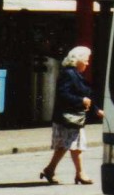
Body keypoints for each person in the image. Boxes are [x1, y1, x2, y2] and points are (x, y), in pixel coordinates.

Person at [40, 46, 102, 185]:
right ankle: (80, 174)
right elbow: (63, 94)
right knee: (76, 146)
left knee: (64, 146)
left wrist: (96, 110)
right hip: (68, 117)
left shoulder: (75, 74)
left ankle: (50, 170)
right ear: (78, 60)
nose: (87, 63)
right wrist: (81, 101)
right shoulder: (69, 74)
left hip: (71, 117)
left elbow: (85, 96)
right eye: (86, 60)